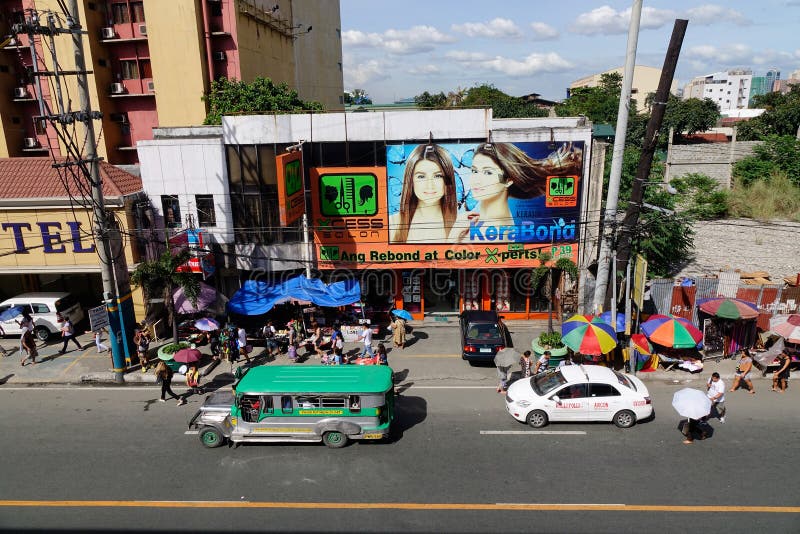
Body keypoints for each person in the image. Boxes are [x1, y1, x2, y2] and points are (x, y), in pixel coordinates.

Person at [451, 142, 582, 243]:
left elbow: (445, 260)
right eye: (474, 171)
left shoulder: (492, 232)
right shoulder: (478, 223)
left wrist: (453, 236)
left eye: (488, 172)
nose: (476, 180)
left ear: (508, 180)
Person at [390, 143, 458, 243]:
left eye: (438, 176)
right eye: (421, 177)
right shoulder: (392, 224)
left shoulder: (461, 224)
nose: (429, 185)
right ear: (410, 181)